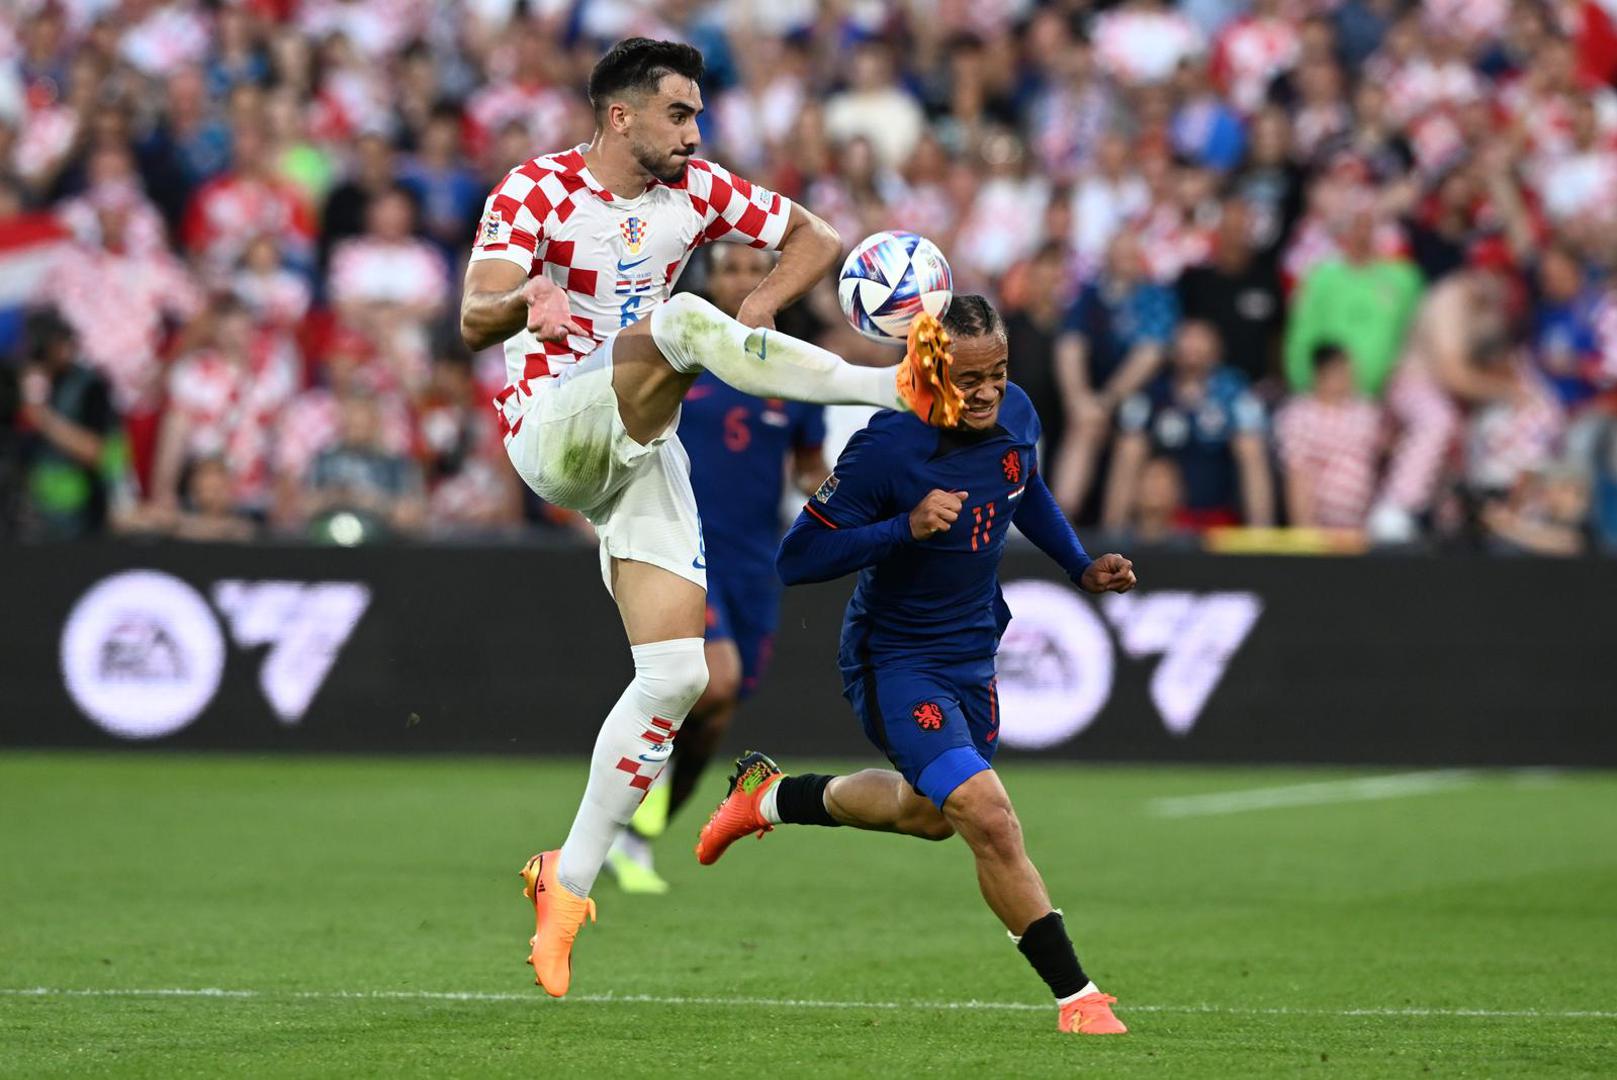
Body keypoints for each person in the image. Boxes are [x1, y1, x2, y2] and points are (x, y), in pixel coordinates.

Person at [457, 37, 963, 999]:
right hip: (554, 424)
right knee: (687, 322)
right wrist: (530, 297)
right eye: (680, 115)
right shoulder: (537, 191)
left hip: (641, 447)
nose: (697, 132)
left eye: (697, 114)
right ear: (621, 116)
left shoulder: (698, 191)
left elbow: (812, 234)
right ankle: (891, 388)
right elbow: (473, 316)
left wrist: (762, 311)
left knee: (680, 672)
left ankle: (563, 883)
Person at [694, 296, 1137, 1036]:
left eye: (997, 372)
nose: (988, 390)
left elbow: (1021, 486)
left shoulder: (1016, 413)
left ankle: (769, 796)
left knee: (929, 815)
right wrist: (903, 525)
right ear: (929, 368)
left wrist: (1080, 566)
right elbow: (796, 557)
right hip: (894, 659)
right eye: (969, 379)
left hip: (972, 654)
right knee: (988, 817)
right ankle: (1077, 997)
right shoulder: (888, 447)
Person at [606, 244, 830, 895]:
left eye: (751, 270)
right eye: (727, 268)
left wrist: (846, 494)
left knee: (711, 715)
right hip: (682, 551)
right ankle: (620, 826)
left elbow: (808, 470)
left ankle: (636, 834)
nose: (738, 280)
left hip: (755, 564)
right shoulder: (682, 350)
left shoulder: (795, 371)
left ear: (772, 284)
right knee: (716, 681)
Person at [1104, 319, 1274, 530]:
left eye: (1200, 341)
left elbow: (1251, 436)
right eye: (1187, 340)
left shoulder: (1233, 391)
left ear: (1216, 350)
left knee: (1249, 444)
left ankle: (1261, 532)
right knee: (1131, 445)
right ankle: (1111, 533)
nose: (1193, 348)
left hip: (1217, 508)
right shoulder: (1152, 391)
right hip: (1162, 514)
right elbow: (1130, 430)